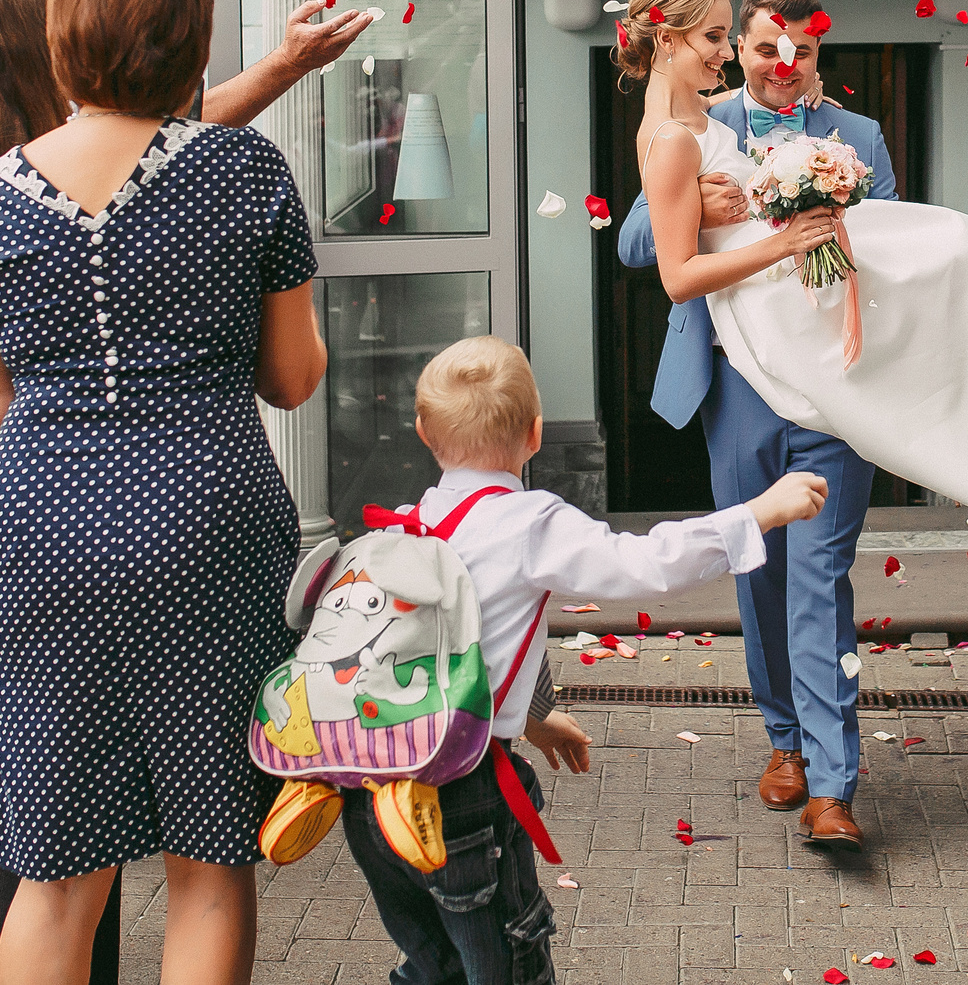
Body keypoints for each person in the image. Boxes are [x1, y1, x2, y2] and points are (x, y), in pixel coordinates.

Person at [0, 0, 373, 985]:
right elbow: (292, 378)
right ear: (196, 45)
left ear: (60, 45)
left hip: (40, 544)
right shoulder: (245, 171)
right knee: (211, 859)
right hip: (210, 530)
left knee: (55, 876)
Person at [615, 0, 968, 850]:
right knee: (758, 569)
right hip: (740, 378)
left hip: (841, 378)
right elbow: (640, 241)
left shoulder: (859, 133)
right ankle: (786, 741)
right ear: (740, 43)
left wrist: (813, 213)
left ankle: (834, 786)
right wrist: (730, 207)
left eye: (797, 47)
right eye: (757, 44)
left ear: (819, 47)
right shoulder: (698, 122)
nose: (778, 59)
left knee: (820, 574)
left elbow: (883, 246)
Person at [350, 335, 826, 983]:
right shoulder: (528, 522)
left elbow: (432, 652)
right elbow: (646, 563)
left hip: (371, 805)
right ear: (536, 432)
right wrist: (758, 513)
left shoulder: (402, 523)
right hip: (457, 801)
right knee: (509, 968)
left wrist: (537, 717)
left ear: (423, 432)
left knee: (435, 967)